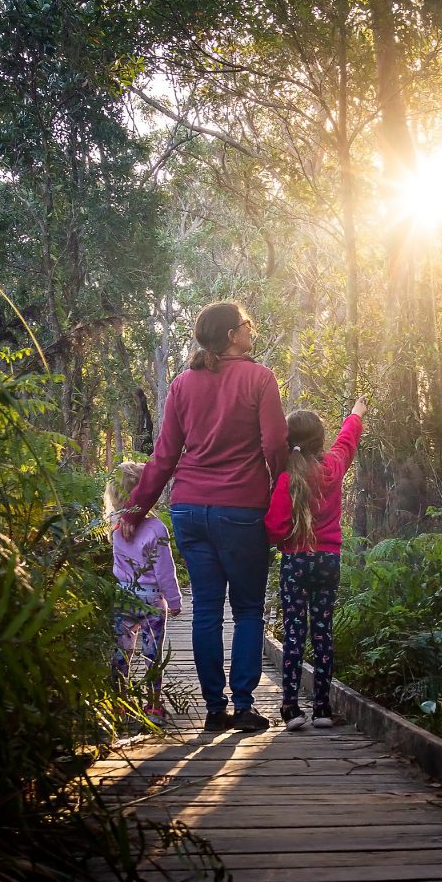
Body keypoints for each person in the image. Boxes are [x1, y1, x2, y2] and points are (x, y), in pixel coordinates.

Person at [119, 302, 288, 733]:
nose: (252, 331)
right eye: (248, 325)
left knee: (207, 609)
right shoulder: (260, 379)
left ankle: (214, 710)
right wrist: (277, 493)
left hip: (189, 509)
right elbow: (274, 447)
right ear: (233, 334)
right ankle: (244, 706)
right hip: (242, 509)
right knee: (248, 609)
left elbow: (163, 458)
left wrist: (134, 512)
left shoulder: (181, 385)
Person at [265, 396, 367, 730]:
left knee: (294, 630)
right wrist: (355, 413)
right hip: (328, 560)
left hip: (295, 561)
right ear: (320, 440)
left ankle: (292, 709)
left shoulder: (286, 479)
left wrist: (286, 542)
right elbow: (346, 443)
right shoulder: (332, 469)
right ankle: (322, 709)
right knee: (322, 630)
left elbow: (274, 527)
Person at [106, 461, 182, 726]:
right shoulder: (156, 528)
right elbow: (164, 570)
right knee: (152, 654)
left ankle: (119, 705)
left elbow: (117, 565)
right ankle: (153, 707)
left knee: (121, 652)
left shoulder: (115, 527)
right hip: (151, 600)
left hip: (123, 596)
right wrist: (174, 600)